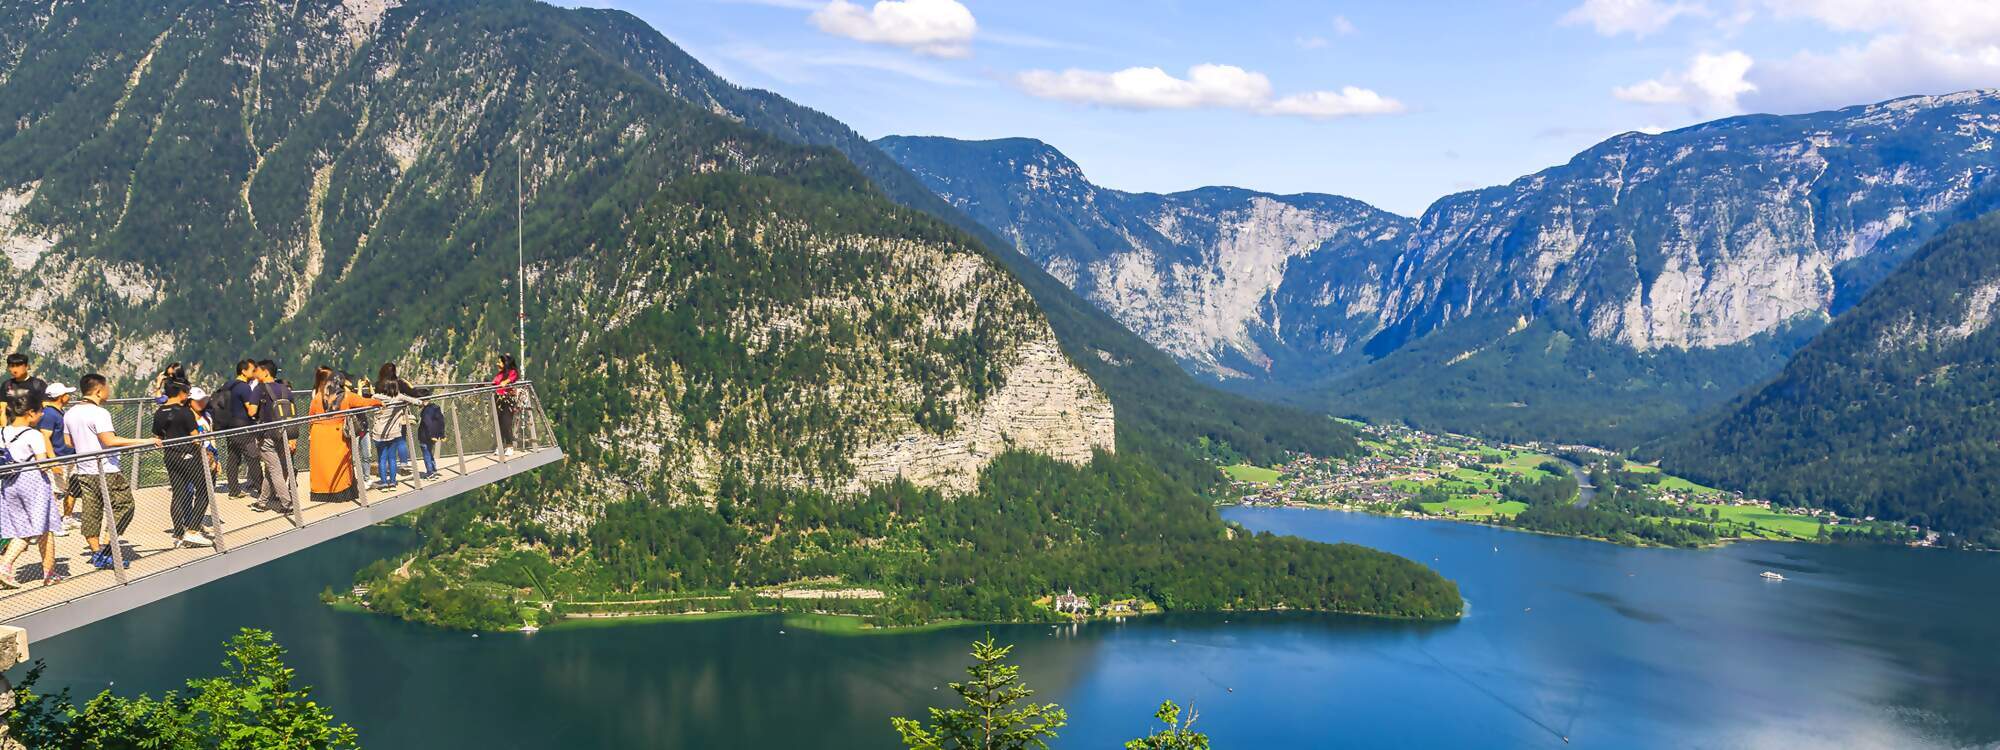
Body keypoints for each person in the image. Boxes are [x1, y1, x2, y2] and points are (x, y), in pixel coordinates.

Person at [64, 374, 158, 570]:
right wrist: (145, 441)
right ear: (98, 390)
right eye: (107, 387)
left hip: (84, 469)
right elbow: (110, 441)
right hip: (107, 469)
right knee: (125, 505)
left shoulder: (70, 413)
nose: (109, 391)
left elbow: (68, 442)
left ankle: (97, 553)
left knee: (92, 511)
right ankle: (107, 548)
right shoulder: (99, 413)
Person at [0, 393, 62, 587]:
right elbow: (42, 464)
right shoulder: (33, 435)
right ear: (30, 413)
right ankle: (49, 574)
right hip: (32, 483)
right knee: (45, 527)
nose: (42, 414)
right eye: (40, 411)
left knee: (22, 529)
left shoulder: (2, 432)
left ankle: (6, 566)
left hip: (9, 484)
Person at [151, 383, 211, 548]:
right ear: (180, 394)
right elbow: (195, 438)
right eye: (186, 392)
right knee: (204, 489)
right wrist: (205, 453)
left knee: (178, 493)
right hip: (188, 455)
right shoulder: (185, 413)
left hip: (170, 455)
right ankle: (192, 531)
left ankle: (178, 533)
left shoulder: (159, 412)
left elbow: (157, 436)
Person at [307, 372, 380, 504]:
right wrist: (378, 402)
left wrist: (311, 431)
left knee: (322, 465)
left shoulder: (319, 396)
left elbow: (311, 415)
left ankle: (321, 492)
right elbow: (364, 402)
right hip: (337, 432)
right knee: (341, 464)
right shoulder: (346, 396)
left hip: (319, 432)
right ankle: (341, 492)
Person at [250, 360, 296, 514]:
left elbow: (251, 411)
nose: (255, 373)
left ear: (265, 372)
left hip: (267, 435)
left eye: (257, 370)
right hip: (284, 434)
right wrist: (292, 438)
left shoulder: (259, 389)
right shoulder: (285, 390)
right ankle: (262, 502)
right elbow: (293, 414)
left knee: (274, 470)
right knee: (273, 469)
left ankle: (287, 504)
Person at [215, 359, 261, 498]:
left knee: (233, 457)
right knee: (253, 457)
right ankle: (262, 489)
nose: (254, 373)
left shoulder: (227, 385)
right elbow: (250, 409)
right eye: (252, 370)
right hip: (243, 428)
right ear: (244, 371)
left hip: (229, 427)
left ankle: (234, 490)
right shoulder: (244, 387)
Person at [35, 383, 76, 537]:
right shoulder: (50, 414)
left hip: (68, 456)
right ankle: (52, 524)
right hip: (59, 458)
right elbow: (45, 437)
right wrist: (53, 462)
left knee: (69, 488)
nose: (69, 396)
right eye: (67, 393)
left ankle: (67, 518)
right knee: (54, 492)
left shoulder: (58, 412)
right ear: (60, 396)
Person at [367, 380, 423, 489]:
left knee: (382, 459)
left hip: (378, 433)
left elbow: (367, 399)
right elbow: (418, 402)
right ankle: (392, 482)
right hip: (394, 433)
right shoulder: (399, 397)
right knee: (392, 458)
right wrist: (408, 402)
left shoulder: (377, 397)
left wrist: (368, 387)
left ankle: (383, 482)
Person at [492, 354, 520, 457]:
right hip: (498, 400)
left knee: (506, 423)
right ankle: (500, 445)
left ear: (505, 363)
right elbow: (494, 383)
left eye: (500, 362)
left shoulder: (512, 373)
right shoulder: (500, 374)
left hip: (508, 401)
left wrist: (505, 382)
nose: (497, 364)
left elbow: (511, 379)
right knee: (499, 424)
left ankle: (509, 446)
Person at [415, 388, 445, 480]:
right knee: (429, 452)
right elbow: (441, 421)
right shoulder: (436, 407)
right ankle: (434, 469)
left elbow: (428, 423)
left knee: (426, 454)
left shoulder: (426, 411)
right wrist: (441, 434)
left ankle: (430, 472)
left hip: (425, 435)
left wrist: (431, 434)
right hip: (434, 436)